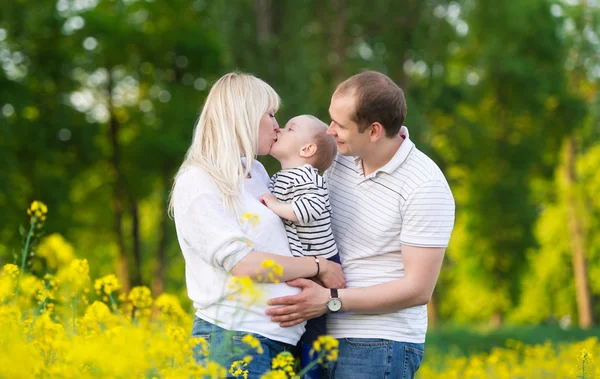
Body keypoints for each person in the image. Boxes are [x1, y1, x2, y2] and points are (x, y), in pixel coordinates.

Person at [265, 71, 455, 379]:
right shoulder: (336, 157)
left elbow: (418, 289)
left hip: (379, 342)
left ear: (375, 131)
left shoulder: (425, 185)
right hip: (316, 329)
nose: (330, 131)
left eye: (340, 125)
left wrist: (331, 301)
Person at [169, 72, 345, 378]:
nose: (277, 125)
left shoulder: (257, 172)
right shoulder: (199, 180)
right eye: (271, 114)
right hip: (236, 341)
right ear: (244, 115)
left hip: (279, 343)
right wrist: (318, 266)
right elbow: (243, 263)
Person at [259, 115, 339, 379]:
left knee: (315, 328)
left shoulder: (309, 176)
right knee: (301, 324)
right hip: (304, 262)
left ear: (307, 150)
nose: (279, 128)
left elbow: (309, 209)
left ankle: (315, 372)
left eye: (290, 128)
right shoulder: (279, 176)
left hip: (323, 261)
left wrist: (275, 206)